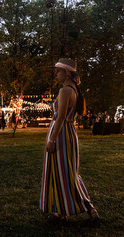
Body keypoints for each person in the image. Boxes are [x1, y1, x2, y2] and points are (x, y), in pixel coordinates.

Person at [40, 58, 99, 222]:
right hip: (69, 133)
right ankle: (66, 210)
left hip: (61, 134)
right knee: (68, 171)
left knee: (62, 171)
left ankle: (74, 209)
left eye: (58, 71)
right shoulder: (75, 90)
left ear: (67, 73)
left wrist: (52, 139)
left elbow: (61, 118)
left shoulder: (65, 90)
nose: (55, 74)